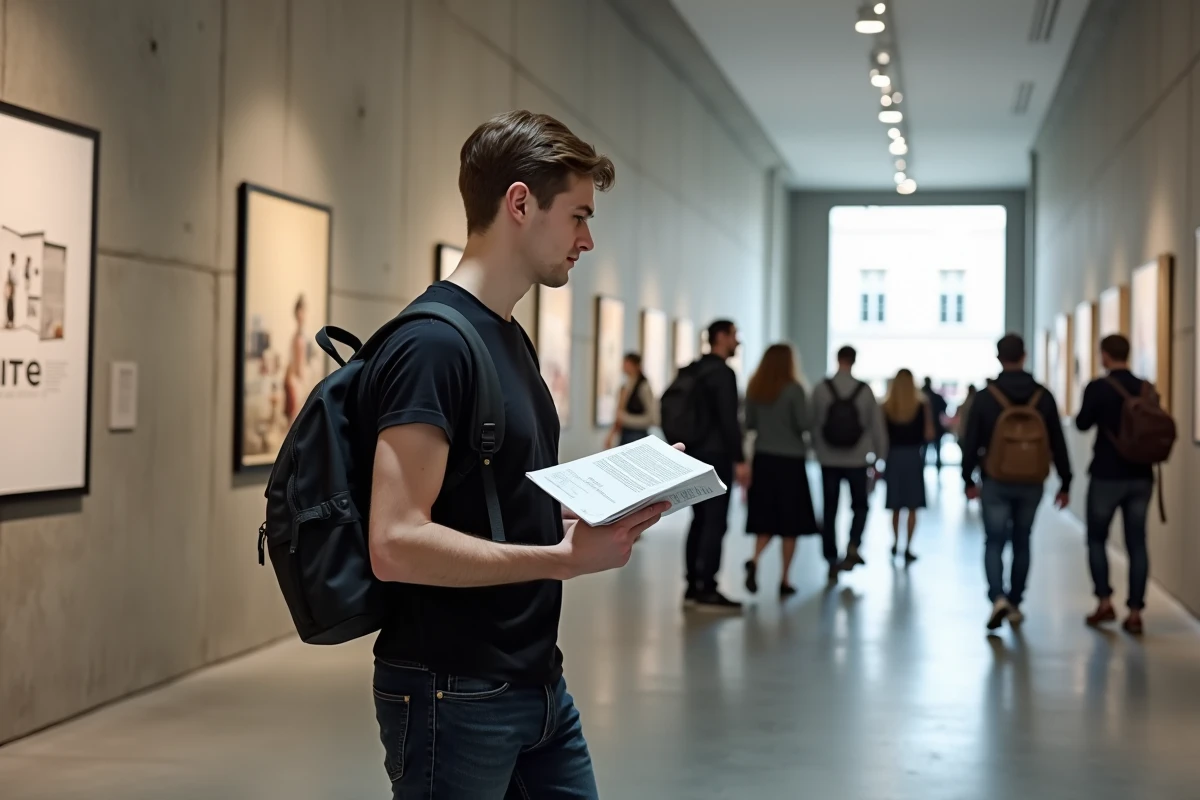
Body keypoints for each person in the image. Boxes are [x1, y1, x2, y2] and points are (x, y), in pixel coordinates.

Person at [358, 110, 673, 799]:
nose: (588, 240)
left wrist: (593, 508)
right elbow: (396, 541)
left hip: (535, 682)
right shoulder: (432, 346)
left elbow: (485, 500)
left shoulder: (509, 339)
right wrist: (562, 559)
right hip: (454, 690)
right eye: (579, 216)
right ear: (521, 203)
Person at [960, 333, 1072, 631]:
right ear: (1025, 356)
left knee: (994, 540)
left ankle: (997, 596)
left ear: (999, 358)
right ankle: (1016, 601)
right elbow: (1057, 442)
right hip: (1032, 481)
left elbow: (970, 441)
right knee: (1022, 540)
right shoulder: (1043, 396)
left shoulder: (986, 397)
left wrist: (967, 479)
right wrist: (1066, 482)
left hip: (995, 479)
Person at [1075, 334, 1154, 635]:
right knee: (1137, 543)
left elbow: (1082, 423)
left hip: (1107, 474)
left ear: (1105, 356)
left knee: (1097, 538)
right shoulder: (1145, 387)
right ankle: (1135, 612)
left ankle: (1105, 601)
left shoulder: (1098, 388)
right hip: (1141, 476)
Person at [742, 343, 818, 598]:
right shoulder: (795, 389)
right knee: (790, 524)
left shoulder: (755, 388)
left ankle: (754, 559)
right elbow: (804, 424)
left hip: (764, 459)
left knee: (766, 518)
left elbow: (749, 423)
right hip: (791, 462)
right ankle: (785, 579)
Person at [683, 319, 750, 611]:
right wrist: (740, 459)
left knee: (699, 519)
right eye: (734, 335)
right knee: (715, 522)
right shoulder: (723, 373)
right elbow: (728, 421)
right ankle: (707, 588)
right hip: (716, 456)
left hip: (693, 454)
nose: (738, 341)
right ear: (721, 337)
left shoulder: (693, 370)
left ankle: (691, 586)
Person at [810, 345, 888, 581]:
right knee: (860, 505)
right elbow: (876, 426)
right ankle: (854, 544)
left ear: (837, 359)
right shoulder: (864, 390)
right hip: (858, 458)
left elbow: (812, 424)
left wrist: (817, 450)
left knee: (830, 508)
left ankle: (831, 558)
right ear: (854, 361)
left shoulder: (821, 389)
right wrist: (880, 458)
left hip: (828, 458)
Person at [882, 369, 933, 563]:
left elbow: (882, 437)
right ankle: (909, 547)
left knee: (895, 505)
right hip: (913, 457)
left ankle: (896, 542)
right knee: (913, 505)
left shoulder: (886, 407)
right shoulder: (921, 405)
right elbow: (929, 434)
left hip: (893, 457)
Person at [604, 352, 657, 448]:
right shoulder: (625, 387)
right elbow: (619, 413)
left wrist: (626, 419)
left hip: (637, 435)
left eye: (628, 363)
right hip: (625, 434)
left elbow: (652, 418)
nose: (624, 366)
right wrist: (611, 435)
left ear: (636, 366)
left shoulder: (643, 387)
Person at [921, 377, 949, 470]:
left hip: (924, 429)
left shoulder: (922, 397)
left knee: (923, 453)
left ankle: (922, 470)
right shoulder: (935, 397)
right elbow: (944, 408)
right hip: (936, 428)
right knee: (937, 452)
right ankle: (937, 470)